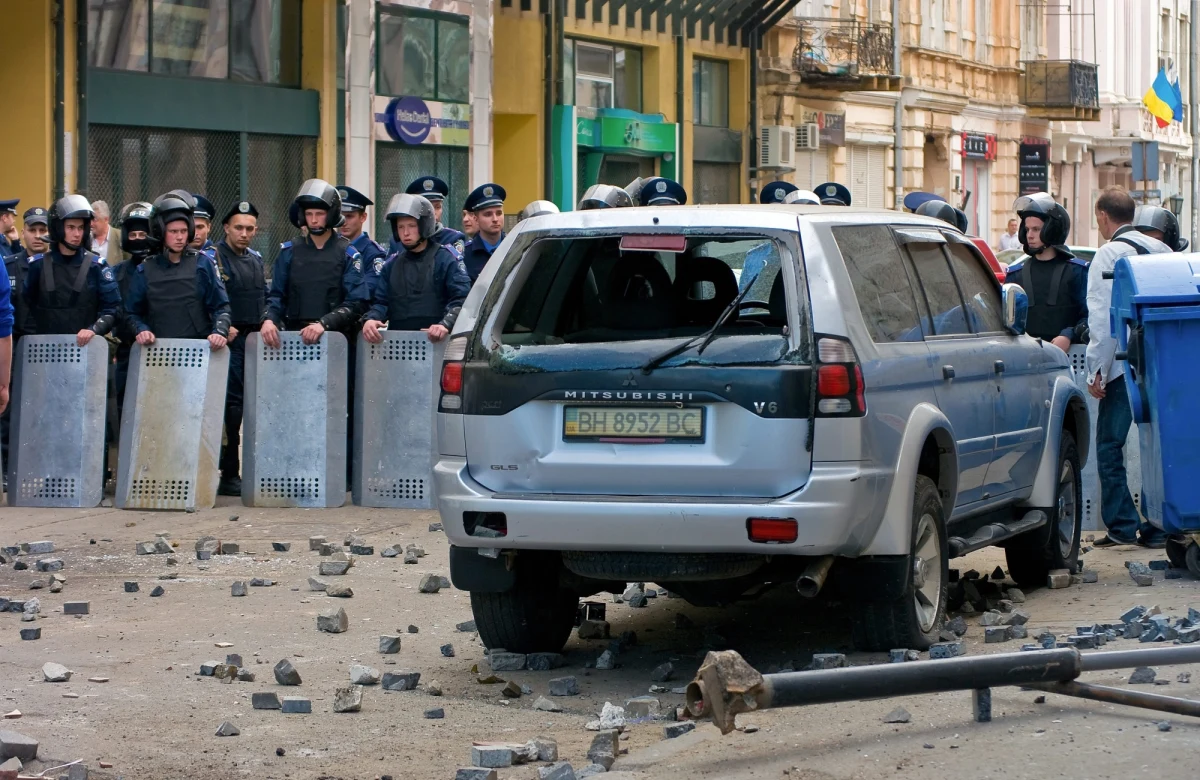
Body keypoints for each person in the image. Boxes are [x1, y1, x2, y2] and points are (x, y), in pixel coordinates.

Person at [1085, 188, 1173, 549]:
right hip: (1163, 364)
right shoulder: (1162, 251)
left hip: (1124, 366)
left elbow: (1102, 319)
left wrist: (1097, 370)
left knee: (1110, 445)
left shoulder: (1107, 254)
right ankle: (1161, 525)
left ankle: (1122, 524)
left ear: (1103, 216)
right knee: (1160, 447)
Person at [262, 179, 369, 348]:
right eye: (309, 214)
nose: (313, 220)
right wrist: (269, 320)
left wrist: (324, 324)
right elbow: (276, 296)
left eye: (319, 214)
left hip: (336, 339)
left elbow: (356, 303)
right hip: (295, 338)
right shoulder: (288, 252)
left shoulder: (348, 254)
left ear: (331, 214)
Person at [123, 191, 231, 351]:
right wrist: (141, 330)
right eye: (173, 232)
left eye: (184, 231)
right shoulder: (145, 270)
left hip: (197, 351)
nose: (180, 237)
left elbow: (221, 307)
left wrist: (219, 332)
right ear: (161, 232)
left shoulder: (203, 264)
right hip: (158, 352)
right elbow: (131, 313)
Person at [361, 194, 470, 345]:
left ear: (424, 225)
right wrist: (372, 319)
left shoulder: (446, 259)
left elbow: (461, 299)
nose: (405, 233)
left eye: (411, 226)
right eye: (401, 227)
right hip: (399, 346)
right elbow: (382, 302)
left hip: (437, 345)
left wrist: (446, 324)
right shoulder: (391, 265)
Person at [212, 201, 266, 496]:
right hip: (228, 343)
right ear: (226, 228)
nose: (244, 234)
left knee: (250, 408)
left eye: (249, 229)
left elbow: (264, 296)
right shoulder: (214, 257)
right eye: (238, 228)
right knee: (231, 411)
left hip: (254, 341)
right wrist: (224, 326)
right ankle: (229, 473)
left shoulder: (255, 259)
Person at [22, 195, 121, 348]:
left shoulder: (97, 266)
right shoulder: (38, 265)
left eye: (81, 228)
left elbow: (113, 308)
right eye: (71, 227)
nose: (77, 234)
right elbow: (25, 307)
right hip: (45, 350)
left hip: (85, 348)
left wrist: (94, 329)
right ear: (58, 228)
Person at [1002, 193, 1088, 351]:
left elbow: (1091, 317)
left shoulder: (1077, 272)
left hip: (1068, 358)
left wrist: (1069, 335)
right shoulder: (1015, 275)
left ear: (1052, 230)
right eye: (1027, 229)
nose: (1029, 235)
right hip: (1025, 356)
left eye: (1036, 229)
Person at [0, 207, 48, 476]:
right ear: (24, 232)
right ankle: (7, 467)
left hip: (47, 348)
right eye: (33, 230)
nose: (38, 236)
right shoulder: (8, 265)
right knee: (9, 410)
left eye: (43, 230)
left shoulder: (55, 267)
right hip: (16, 345)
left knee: (42, 408)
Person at [110, 201, 157, 413]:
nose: (138, 239)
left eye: (143, 234)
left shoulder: (161, 268)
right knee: (125, 407)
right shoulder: (117, 272)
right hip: (127, 350)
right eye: (133, 234)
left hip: (158, 349)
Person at [405, 176, 467, 256]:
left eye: (437, 207)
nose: (433, 212)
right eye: (427, 207)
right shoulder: (402, 240)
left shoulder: (452, 239)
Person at [460, 183, 507, 284]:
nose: (495, 219)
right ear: (476, 219)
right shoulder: (465, 255)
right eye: (488, 214)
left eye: (499, 213)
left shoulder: (514, 247)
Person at [337, 186, 387, 279]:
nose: (343, 222)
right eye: (340, 216)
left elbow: (370, 286)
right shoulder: (330, 245)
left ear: (363, 217)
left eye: (349, 216)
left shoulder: (374, 254)